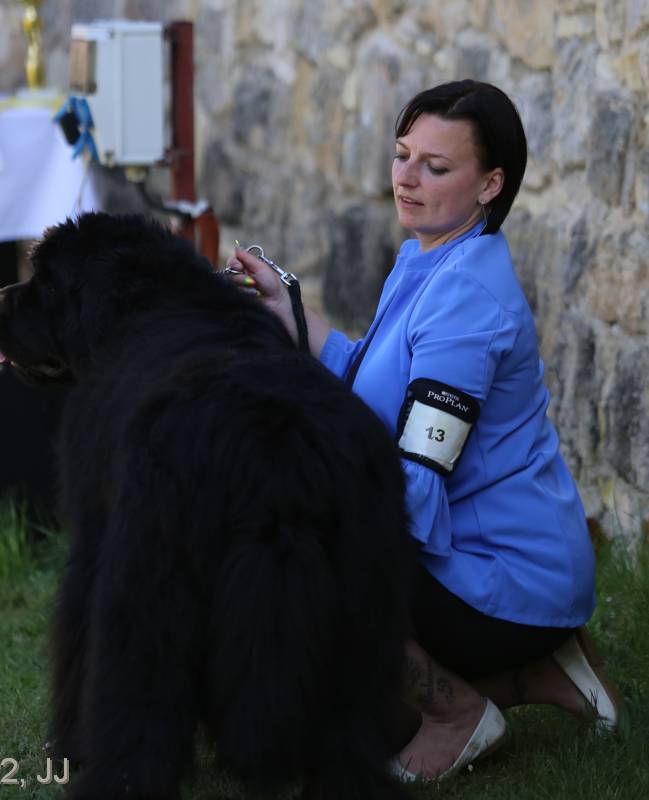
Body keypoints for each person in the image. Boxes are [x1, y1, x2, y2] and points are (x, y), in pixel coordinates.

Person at [226, 80, 623, 781]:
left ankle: (458, 714)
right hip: (505, 560)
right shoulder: (434, 256)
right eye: (402, 155)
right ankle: (542, 669)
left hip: (505, 575)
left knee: (293, 556)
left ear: (490, 185)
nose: (406, 178)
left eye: (435, 167)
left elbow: (416, 474)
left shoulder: (467, 298)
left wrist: (306, 518)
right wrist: (287, 310)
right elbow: (374, 383)